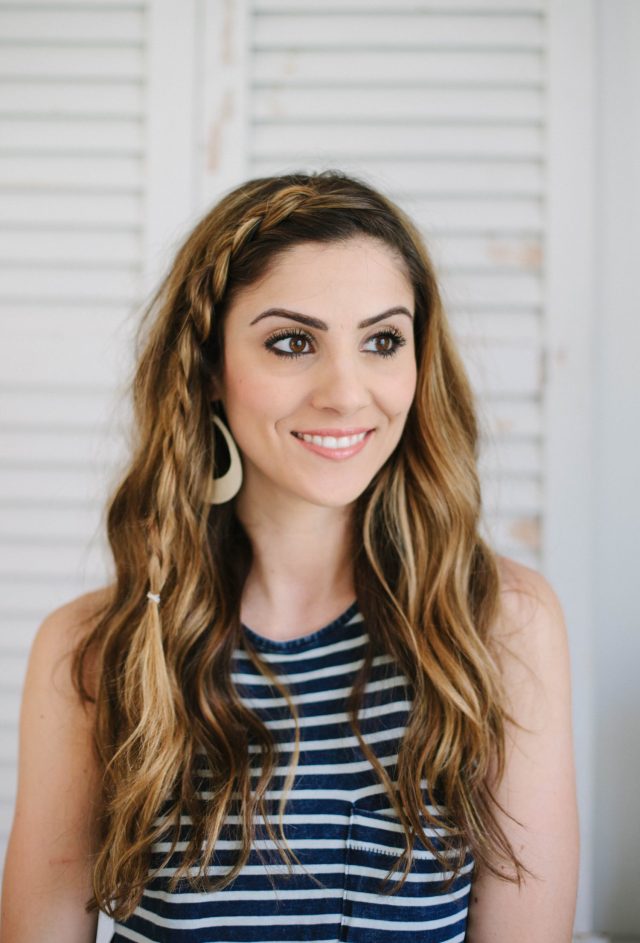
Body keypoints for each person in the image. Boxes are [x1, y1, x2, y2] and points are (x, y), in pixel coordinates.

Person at [0, 171, 579, 942]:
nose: (347, 392)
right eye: (293, 342)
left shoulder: (500, 626)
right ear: (210, 367)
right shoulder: (93, 649)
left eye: (382, 341)